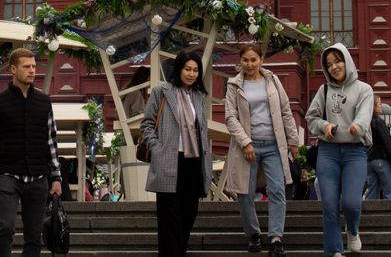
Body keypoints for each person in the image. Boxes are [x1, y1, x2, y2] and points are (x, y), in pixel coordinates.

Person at [0, 48, 61, 257]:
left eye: (34, 66)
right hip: (8, 176)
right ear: (13, 69)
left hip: (38, 177)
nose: (32, 71)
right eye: (26, 67)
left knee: (34, 234)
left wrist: (56, 177)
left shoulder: (44, 101)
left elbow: (51, 141)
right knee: (5, 227)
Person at [223, 43, 302, 255]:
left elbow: (286, 111)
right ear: (240, 62)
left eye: (253, 60)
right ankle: (254, 234)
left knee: (277, 190)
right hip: (246, 147)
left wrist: (293, 142)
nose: (250, 64)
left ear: (261, 60)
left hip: (273, 145)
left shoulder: (273, 81)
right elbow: (230, 117)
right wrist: (245, 142)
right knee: (245, 193)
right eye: (245, 60)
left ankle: (276, 238)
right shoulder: (233, 85)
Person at [306, 43, 373, 257]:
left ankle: (353, 231)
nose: (334, 67)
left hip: (355, 152)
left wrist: (358, 126)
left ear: (347, 60)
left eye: (338, 61)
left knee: (351, 203)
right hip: (328, 152)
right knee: (329, 204)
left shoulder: (364, 89)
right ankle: (334, 251)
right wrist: (324, 126)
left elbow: (364, 114)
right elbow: (311, 117)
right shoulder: (323, 90)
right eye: (329, 64)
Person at [141, 50, 209, 257]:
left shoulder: (198, 96)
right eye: (187, 69)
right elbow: (147, 124)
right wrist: (156, 147)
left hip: (193, 164)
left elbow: (201, 129)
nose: (191, 74)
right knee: (170, 220)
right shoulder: (162, 91)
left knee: (188, 216)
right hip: (169, 162)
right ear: (179, 69)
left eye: (195, 70)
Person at [364, 95, 391, 200]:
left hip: (369, 159)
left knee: (372, 189)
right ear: (373, 106)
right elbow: (387, 142)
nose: (381, 106)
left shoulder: (365, 122)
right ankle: (390, 215)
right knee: (389, 191)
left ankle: (369, 214)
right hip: (382, 158)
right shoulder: (378, 122)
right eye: (379, 104)